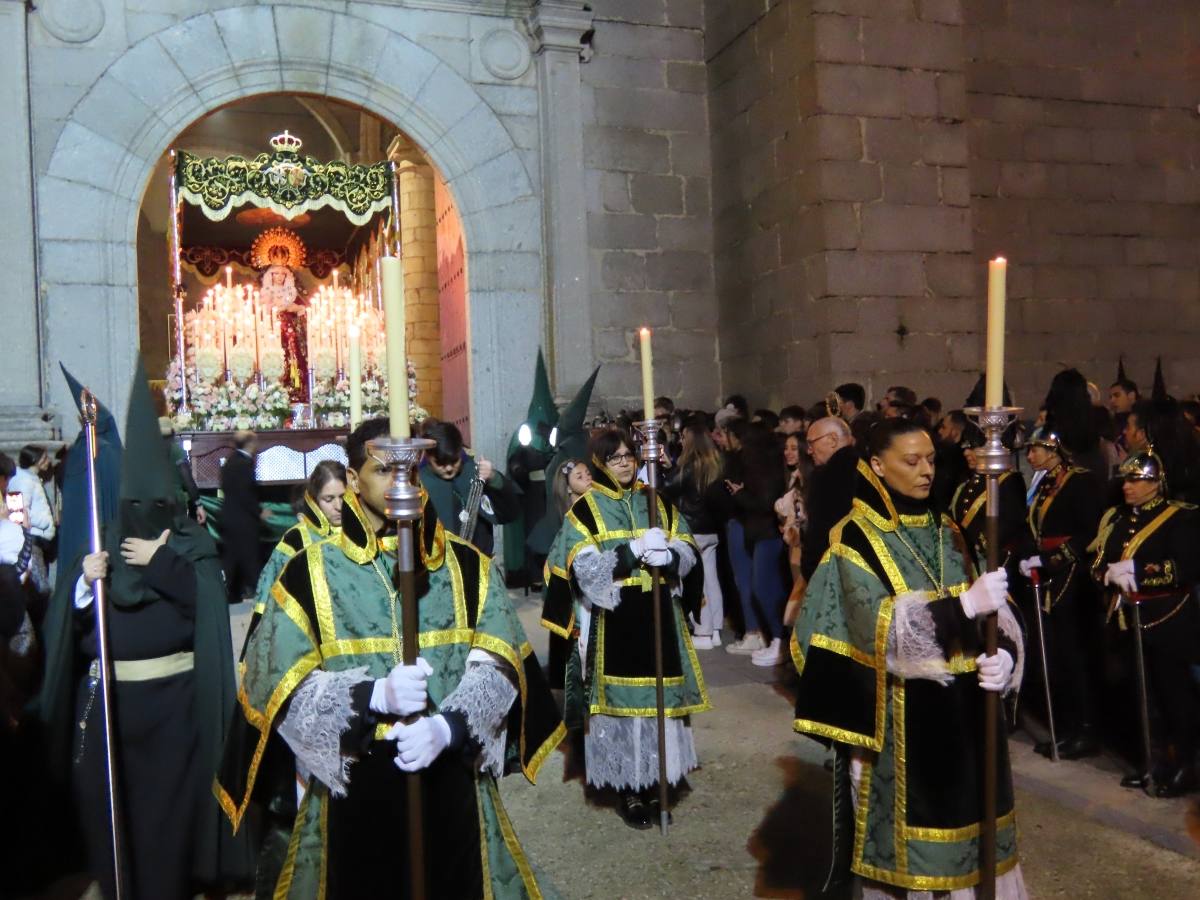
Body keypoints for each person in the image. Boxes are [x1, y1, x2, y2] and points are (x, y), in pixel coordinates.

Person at [216, 417, 564, 898]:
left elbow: (499, 663)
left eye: (411, 469)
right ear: (354, 480)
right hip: (353, 780)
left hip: (450, 774)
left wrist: (449, 727)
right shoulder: (309, 572)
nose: (404, 483)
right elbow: (277, 682)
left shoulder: (466, 566)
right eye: (384, 470)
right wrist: (370, 696)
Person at [38, 360, 250, 900]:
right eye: (135, 506)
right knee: (112, 817)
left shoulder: (190, 545)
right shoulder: (103, 540)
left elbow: (202, 607)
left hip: (173, 711)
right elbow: (71, 617)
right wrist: (85, 584)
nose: (144, 514)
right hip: (110, 706)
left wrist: (162, 561)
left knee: (166, 822)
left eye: (156, 506)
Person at [791, 417, 1026, 898]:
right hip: (902, 726)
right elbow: (877, 634)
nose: (926, 471)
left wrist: (1003, 655)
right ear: (877, 465)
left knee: (977, 850)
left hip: (969, 717)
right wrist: (961, 608)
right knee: (916, 865)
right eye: (911, 461)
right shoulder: (853, 539)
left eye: (932, 460)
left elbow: (996, 610)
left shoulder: (950, 530)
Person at [540, 426, 708, 829]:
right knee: (621, 711)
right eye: (614, 457)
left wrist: (669, 556)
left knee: (657, 706)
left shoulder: (657, 502)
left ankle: (656, 779)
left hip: (658, 616)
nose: (624, 463)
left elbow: (688, 548)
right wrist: (631, 552)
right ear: (598, 462)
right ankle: (627, 788)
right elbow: (580, 569)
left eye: (628, 455)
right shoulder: (586, 510)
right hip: (613, 621)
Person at [1019, 426, 1104, 759]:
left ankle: (1085, 729)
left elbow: (1088, 532)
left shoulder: (1080, 482)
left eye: (1035, 449)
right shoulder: (1044, 485)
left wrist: (1052, 559)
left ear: (1054, 451)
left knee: (1074, 655)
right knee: (1055, 656)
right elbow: (1035, 527)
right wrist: (1032, 555)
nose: (1030, 456)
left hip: (1073, 574)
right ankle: (1066, 726)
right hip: (1049, 574)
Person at [721, 422, 789, 666]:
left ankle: (777, 639)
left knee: (764, 588)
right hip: (761, 532)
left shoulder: (762, 468)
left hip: (766, 533)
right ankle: (775, 639)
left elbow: (764, 501)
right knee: (762, 587)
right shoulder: (763, 466)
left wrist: (739, 494)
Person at [664, 422, 726, 649]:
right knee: (711, 580)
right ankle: (716, 629)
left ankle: (702, 631)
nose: (680, 440)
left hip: (693, 530)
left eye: (683, 437)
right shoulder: (715, 463)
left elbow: (668, 486)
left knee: (695, 582)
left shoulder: (690, 465)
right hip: (711, 530)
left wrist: (668, 467)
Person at [419, 420, 520, 557]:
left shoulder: (473, 471)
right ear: (429, 456)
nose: (448, 468)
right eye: (440, 464)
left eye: (454, 461)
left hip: (478, 558)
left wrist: (494, 478)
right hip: (438, 564)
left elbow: (508, 512)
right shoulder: (420, 482)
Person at [950, 424, 1028, 576]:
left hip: (994, 560)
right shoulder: (968, 480)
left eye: (972, 448)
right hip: (967, 558)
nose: (966, 453)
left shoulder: (1008, 479)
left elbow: (1010, 523)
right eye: (965, 448)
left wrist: (978, 547)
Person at [800, 416, 857, 584]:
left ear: (833, 439)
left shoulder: (827, 476)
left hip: (832, 571)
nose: (809, 451)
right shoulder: (867, 466)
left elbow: (821, 529)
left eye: (811, 443)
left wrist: (810, 569)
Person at [220, 431, 265, 603]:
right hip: (244, 520)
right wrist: (259, 511)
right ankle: (259, 592)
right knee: (250, 557)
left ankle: (231, 593)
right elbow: (246, 493)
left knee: (231, 558)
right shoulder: (244, 464)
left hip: (229, 517)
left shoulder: (230, 461)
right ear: (250, 444)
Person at [11, 444, 56, 543]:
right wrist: (45, 522)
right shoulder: (24, 481)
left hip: (37, 535)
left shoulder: (31, 478)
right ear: (34, 460)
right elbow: (19, 511)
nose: (48, 461)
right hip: (33, 536)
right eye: (44, 459)